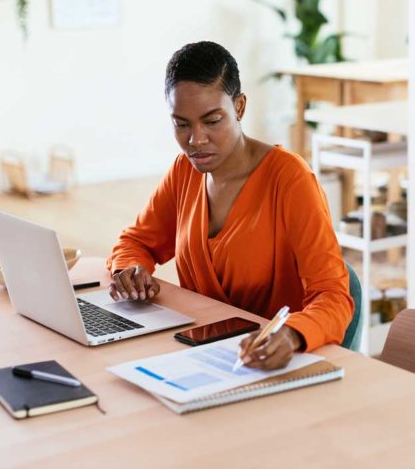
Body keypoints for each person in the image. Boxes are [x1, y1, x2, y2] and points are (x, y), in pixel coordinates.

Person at [106, 41, 353, 370]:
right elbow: (136, 241)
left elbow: (333, 296)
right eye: (182, 124)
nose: (196, 140)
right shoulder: (185, 171)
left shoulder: (290, 180)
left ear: (239, 107)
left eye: (212, 121)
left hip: (266, 365)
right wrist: (130, 271)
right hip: (201, 354)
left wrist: (293, 335)